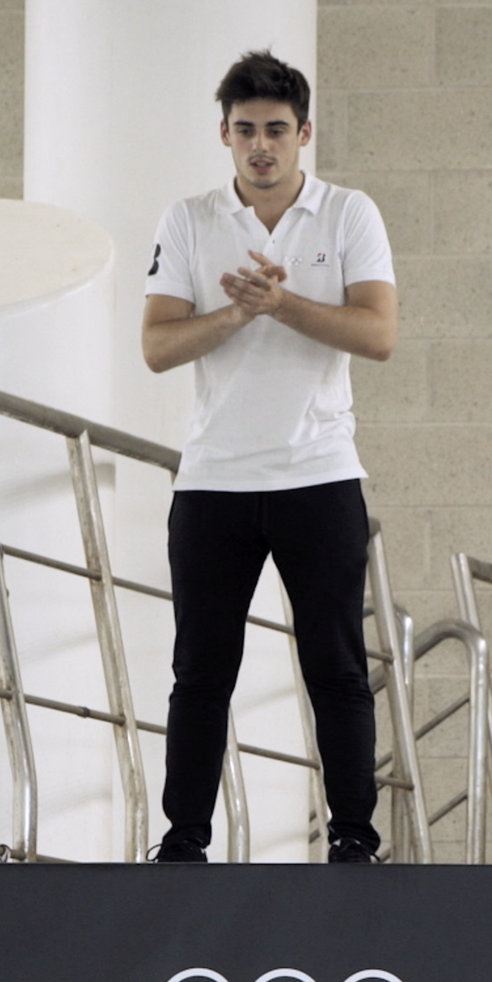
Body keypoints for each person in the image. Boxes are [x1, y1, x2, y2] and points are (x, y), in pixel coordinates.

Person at [141, 50, 397, 864]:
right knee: (200, 672)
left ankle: (353, 836)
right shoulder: (188, 219)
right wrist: (238, 313)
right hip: (213, 480)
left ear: (304, 134)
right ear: (224, 133)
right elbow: (156, 346)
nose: (261, 146)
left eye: (276, 131)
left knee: (336, 666)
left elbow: (379, 334)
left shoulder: (348, 213)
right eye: (246, 130)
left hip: (319, 474)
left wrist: (282, 303)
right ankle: (183, 842)